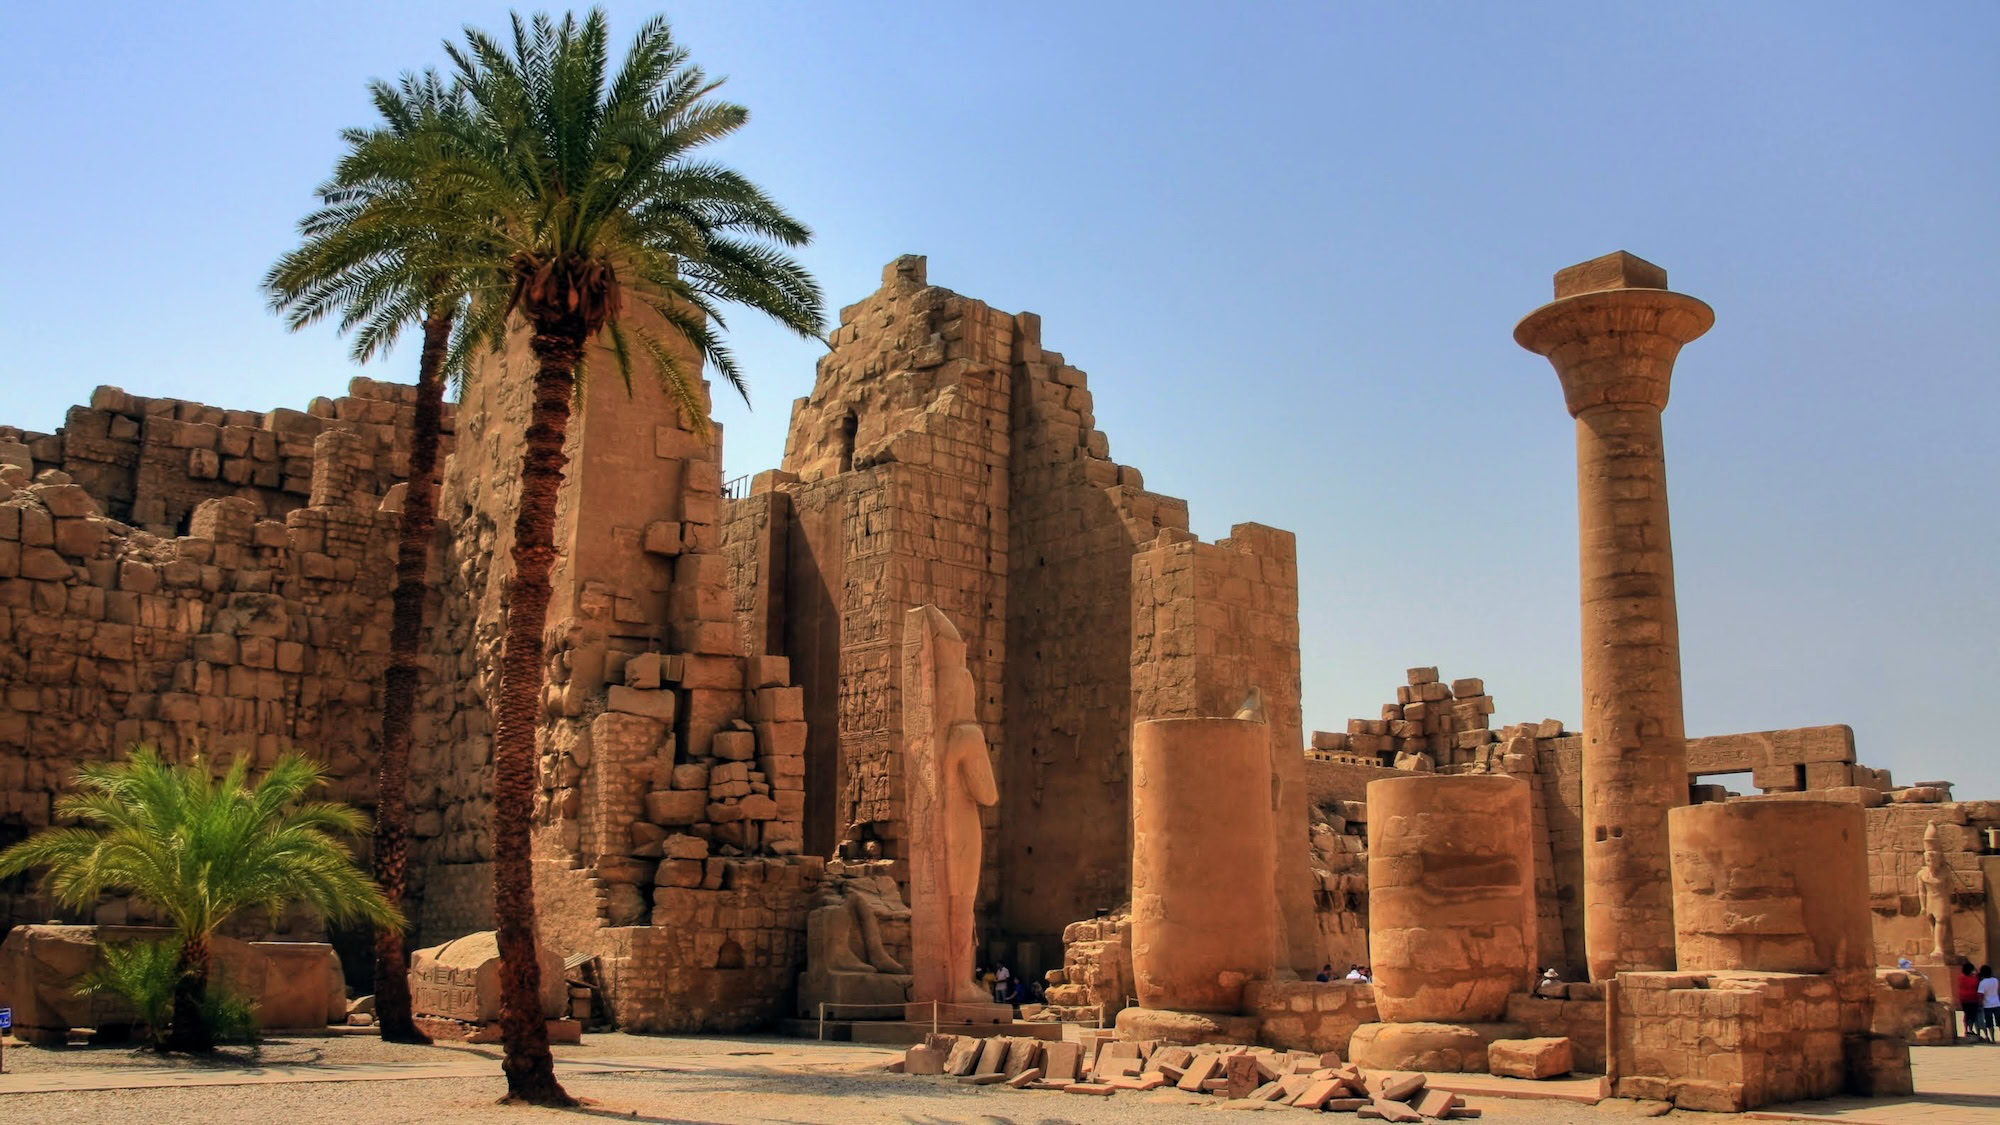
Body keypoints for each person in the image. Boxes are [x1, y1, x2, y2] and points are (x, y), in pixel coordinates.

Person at [1956, 963, 1983, 1042]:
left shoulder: (1961, 977)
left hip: (1963, 998)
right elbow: (1977, 984)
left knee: (1966, 1014)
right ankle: (1970, 1030)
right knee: (1972, 1016)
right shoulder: (1974, 979)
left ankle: (1965, 1029)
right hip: (1973, 999)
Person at [1980, 965, 1999, 1040]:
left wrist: (1980, 1004)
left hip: (1987, 1005)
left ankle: (1992, 1039)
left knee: (1989, 1023)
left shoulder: (1982, 983)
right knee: (1999, 1022)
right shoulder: (1995, 980)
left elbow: (1980, 995)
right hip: (1997, 1003)